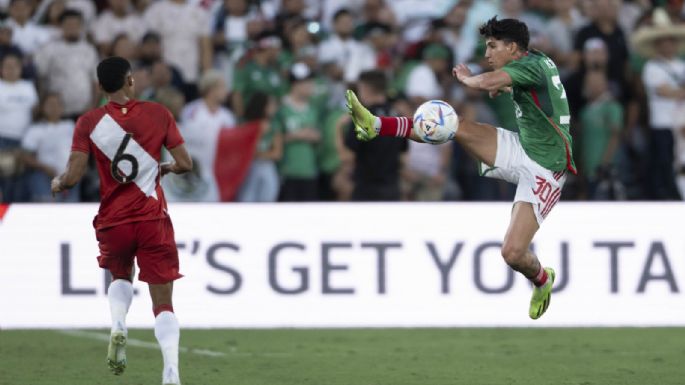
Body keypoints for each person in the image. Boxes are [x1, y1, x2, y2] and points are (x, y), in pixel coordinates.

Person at [347, 16, 575, 319]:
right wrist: (506, 88)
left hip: (546, 169)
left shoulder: (529, 66)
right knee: (452, 124)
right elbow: (534, 93)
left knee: (513, 253)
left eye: (493, 47)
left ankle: (543, 281)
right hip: (523, 148)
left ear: (512, 47)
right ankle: (376, 125)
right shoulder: (535, 62)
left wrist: (471, 79)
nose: (487, 54)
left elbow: (489, 80)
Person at [50, 56, 192, 385]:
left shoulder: (89, 122)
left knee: (119, 274)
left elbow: (72, 177)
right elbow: (185, 163)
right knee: (164, 302)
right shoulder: (159, 113)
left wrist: (58, 183)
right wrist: (165, 167)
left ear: (100, 87)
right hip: (152, 217)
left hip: (114, 220)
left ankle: (118, 324)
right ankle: (171, 372)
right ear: (131, 81)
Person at [345, 70, 407, 201]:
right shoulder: (398, 116)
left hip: (367, 189)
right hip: (391, 188)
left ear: (365, 88)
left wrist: (337, 129)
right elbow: (404, 155)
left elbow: (347, 156)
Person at [22, 93, 79, 202]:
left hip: (70, 177)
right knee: (48, 211)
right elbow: (25, 157)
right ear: (43, 108)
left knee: (71, 211)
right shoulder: (36, 129)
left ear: (62, 108)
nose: (54, 108)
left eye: (57, 104)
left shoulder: (70, 126)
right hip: (46, 176)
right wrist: (44, 167)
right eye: (50, 105)